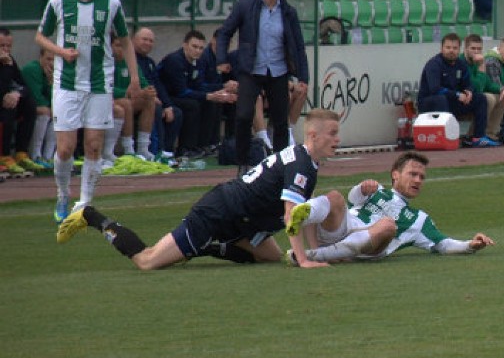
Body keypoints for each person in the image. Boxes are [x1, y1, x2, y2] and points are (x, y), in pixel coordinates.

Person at [56, 109, 341, 270]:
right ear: (312, 135)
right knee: (148, 260)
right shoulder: (302, 165)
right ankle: (91, 216)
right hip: (219, 212)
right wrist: (303, 260)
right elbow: (291, 213)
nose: (337, 139)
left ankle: (211, 245)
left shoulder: (307, 162)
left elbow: (302, 213)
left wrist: (314, 253)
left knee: (268, 256)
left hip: (243, 221)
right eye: (333, 133)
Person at [35, 0, 139, 223]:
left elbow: (125, 40)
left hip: (99, 83)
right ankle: (62, 194)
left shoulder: (112, 4)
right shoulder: (58, 2)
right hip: (67, 83)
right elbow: (40, 36)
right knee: (66, 148)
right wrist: (60, 51)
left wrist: (134, 76)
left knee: (94, 145)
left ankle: (85, 203)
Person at [284, 151, 495, 264]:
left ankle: (312, 255)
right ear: (395, 174)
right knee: (335, 197)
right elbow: (353, 198)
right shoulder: (377, 190)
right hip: (342, 227)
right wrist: (362, 188)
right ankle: (301, 214)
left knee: (387, 225)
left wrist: (471, 245)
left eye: (422, 177)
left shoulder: (418, 219)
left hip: (371, 245)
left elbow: (444, 245)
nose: (418, 180)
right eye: (413, 174)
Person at [216, 0, 309, 175]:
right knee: (243, 115)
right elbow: (224, 33)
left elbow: (299, 45)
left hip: (278, 70)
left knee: (280, 120)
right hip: (251, 69)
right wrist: (222, 59)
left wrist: (303, 76)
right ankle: (242, 164)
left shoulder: (288, 11)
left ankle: (281, 165)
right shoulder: (245, 6)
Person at [159, 30, 236, 158]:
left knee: (213, 102)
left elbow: (199, 86)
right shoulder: (175, 60)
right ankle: (185, 148)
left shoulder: (197, 61)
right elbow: (182, 91)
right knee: (192, 105)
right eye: (194, 47)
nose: (198, 51)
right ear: (184, 45)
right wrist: (209, 95)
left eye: (200, 48)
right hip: (166, 97)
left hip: (180, 95)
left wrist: (220, 92)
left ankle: (206, 145)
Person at [417, 33, 500, 148]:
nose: (451, 51)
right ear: (441, 48)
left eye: (455, 48)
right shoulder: (434, 64)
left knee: (480, 98)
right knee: (442, 99)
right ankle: (448, 138)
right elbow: (435, 89)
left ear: (459, 49)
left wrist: (468, 92)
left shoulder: (460, 64)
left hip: (451, 101)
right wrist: (457, 95)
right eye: (448, 47)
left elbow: (468, 84)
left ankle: (478, 138)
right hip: (429, 103)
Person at [133, 27, 182, 164]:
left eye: (151, 41)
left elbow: (158, 85)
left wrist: (168, 105)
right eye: (144, 39)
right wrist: (149, 96)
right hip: (137, 100)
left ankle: (167, 152)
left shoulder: (149, 62)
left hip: (152, 98)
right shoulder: (130, 60)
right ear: (133, 40)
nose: (147, 43)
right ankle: (155, 151)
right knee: (156, 108)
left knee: (175, 112)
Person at [0, 28, 41, 177]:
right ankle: (3, 156)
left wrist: (16, 93)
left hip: (5, 102)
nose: (5, 50)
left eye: (8, 46)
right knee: (8, 108)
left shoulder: (9, 60)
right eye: (2, 46)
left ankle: (21, 153)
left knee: (28, 103)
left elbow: (23, 85)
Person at [461, 34, 504, 143]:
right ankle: (472, 135)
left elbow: (488, 84)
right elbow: (477, 88)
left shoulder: (477, 61)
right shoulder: (462, 62)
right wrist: (482, 65)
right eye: (473, 48)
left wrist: (502, 89)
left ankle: (490, 134)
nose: (476, 52)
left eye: (479, 49)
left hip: (474, 97)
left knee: (502, 98)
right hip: (463, 98)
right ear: (466, 49)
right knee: (488, 98)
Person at [21, 47, 56, 167]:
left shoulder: (52, 73)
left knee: (58, 113)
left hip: (37, 106)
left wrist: (50, 81)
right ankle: (35, 154)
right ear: (41, 57)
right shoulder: (33, 69)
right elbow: (37, 98)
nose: (51, 63)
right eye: (48, 59)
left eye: (54, 60)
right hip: (23, 106)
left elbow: (54, 100)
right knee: (45, 111)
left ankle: (48, 156)